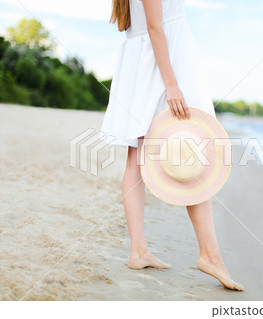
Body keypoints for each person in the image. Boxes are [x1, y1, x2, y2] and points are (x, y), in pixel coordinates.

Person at [101, 0, 243, 291]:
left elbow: (139, 24)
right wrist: (172, 84)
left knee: (137, 158)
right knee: (190, 150)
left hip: (145, 60)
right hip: (163, 62)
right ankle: (210, 255)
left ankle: (139, 250)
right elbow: (155, 26)